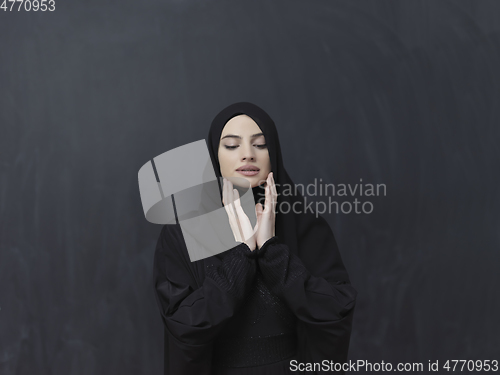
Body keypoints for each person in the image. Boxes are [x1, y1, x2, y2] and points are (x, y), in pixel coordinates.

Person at [153, 102, 357, 374]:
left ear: (274, 153)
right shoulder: (182, 232)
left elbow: (336, 310)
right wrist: (242, 253)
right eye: (232, 145)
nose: (248, 155)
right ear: (214, 156)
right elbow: (183, 326)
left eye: (260, 145)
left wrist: (272, 251)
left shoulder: (305, 223)